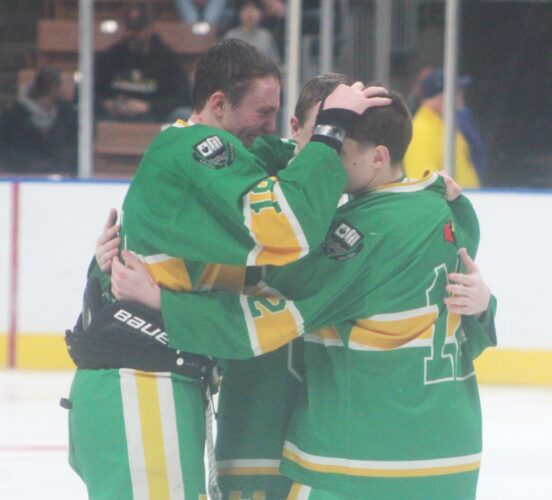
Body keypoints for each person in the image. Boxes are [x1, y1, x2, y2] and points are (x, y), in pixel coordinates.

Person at [110, 90, 497, 499]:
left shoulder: (357, 231)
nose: (327, 155)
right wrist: (485, 307)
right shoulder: (441, 210)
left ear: (378, 157)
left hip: (364, 456)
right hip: (449, 450)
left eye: (337, 145)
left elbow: (269, 310)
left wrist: (164, 302)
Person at [65, 39, 391, 500]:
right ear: (218, 104)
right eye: (263, 112)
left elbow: (300, 162)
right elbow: (284, 226)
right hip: (138, 383)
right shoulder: (197, 147)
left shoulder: (215, 153)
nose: (270, 126)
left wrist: (424, 186)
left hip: (152, 380)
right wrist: (330, 127)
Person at [95, 3, 191, 122]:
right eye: (130, 29)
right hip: (114, 117)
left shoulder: (168, 58)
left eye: (139, 30)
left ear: (150, 29)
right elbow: (91, 91)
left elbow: (181, 97)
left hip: (155, 116)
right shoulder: (110, 56)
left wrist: (148, 107)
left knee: (184, 114)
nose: (133, 34)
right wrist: (106, 104)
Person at [403, 68, 481, 188]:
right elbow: (423, 186)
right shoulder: (421, 133)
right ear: (439, 97)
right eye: (456, 93)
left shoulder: (446, 127)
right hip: (450, 200)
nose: (461, 98)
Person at [0, 67, 77, 175]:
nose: (66, 90)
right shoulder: (11, 117)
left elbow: (75, 150)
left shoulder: (69, 115)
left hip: (61, 176)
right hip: (23, 176)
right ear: (52, 88)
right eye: (62, 85)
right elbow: (6, 152)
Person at [224, 0, 281, 65]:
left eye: (254, 10)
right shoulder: (231, 36)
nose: (250, 14)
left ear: (261, 13)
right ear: (240, 13)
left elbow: (275, 62)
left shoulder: (266, 36)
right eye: (246, 9)